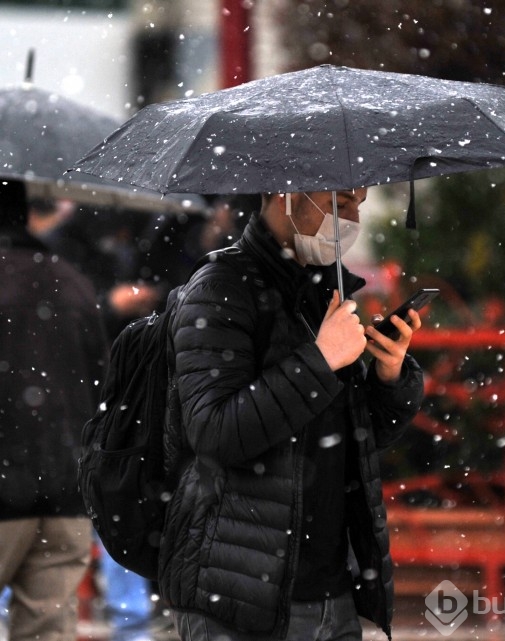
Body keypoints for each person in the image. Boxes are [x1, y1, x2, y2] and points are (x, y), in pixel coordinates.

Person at [159, 188, 424, 641]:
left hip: (331, 590)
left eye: (360, 202)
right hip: (240, 596)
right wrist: (319, 360)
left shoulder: (325, 289)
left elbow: (359, 436)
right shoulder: (218, 289)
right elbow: (214, 431)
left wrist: (389, 375)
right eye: (341, 201)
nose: (353, 216)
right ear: (286, 195)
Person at [0, 180, 108, 641]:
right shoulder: (73, 280)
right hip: (66, 490)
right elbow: (103, 381)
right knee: (49, 628)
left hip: (5, 481)